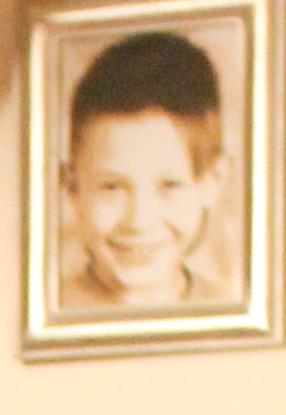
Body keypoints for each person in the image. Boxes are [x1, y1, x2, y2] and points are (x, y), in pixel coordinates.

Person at [50, 31, 236, 314]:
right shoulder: (47, 311)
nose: (138, 221)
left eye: (169, 185)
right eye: (112, 187)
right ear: (73, 187)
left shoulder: (226, 310)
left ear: (212, 181)